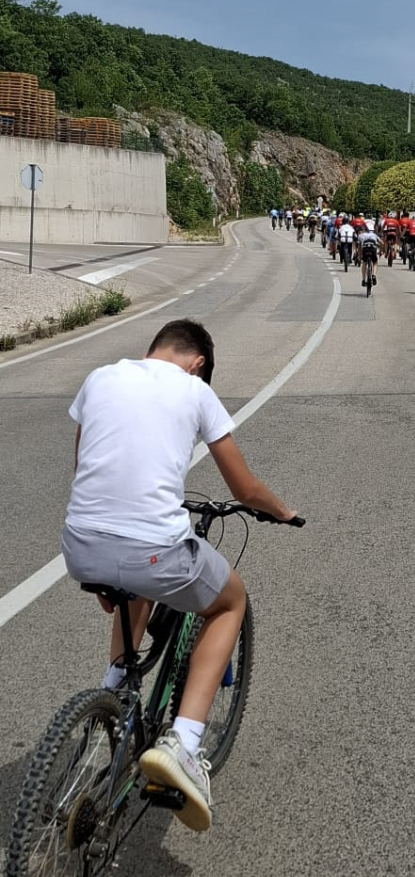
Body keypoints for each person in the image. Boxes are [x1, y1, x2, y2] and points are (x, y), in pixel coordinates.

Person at [61, 319, 298, 833]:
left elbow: (85, 468)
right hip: (151, 551)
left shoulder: (100, 377)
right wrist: (282, 511)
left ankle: (113, 689)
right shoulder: (194, 390)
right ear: (197, 364)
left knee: (135, 582)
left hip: (80, 544)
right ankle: (185, 744)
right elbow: (244, 488)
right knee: (230, 600)